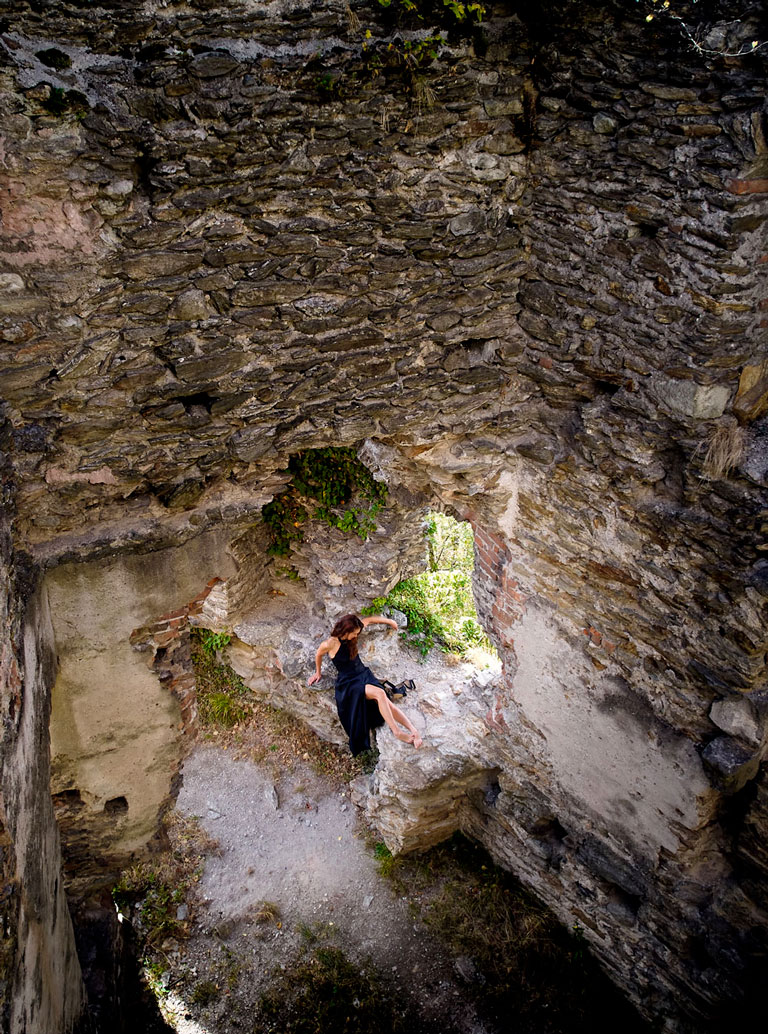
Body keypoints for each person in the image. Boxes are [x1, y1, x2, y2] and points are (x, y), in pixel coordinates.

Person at [308, 613, 423, 756]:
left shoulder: (355, 629)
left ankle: (413, 730)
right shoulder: (329, 644)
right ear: (346, 631)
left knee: (387, 702)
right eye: (354, 634)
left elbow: (369, 620)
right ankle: (397, 732)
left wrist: (390, 621)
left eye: (357, 633)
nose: (356, 636)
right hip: (349, 683)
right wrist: (318, 673)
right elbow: (318, 654)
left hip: (363, 674)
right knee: (380, 693)